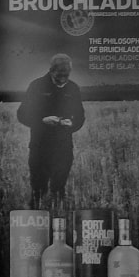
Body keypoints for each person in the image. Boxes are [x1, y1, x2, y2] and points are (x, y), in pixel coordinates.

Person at [17, 53, 85, 211]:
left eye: (66, 74)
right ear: (51, 70)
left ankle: (58, 216)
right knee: (38, 189)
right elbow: (22, 114)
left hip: (64, 147)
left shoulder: (73, 88)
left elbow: (80, 116)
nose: (63, 78)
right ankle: (36, 214)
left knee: (59, 188)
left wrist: (72, 124)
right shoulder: (36, 86)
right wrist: (42, 120)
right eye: (60, 74)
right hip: (40, 146)